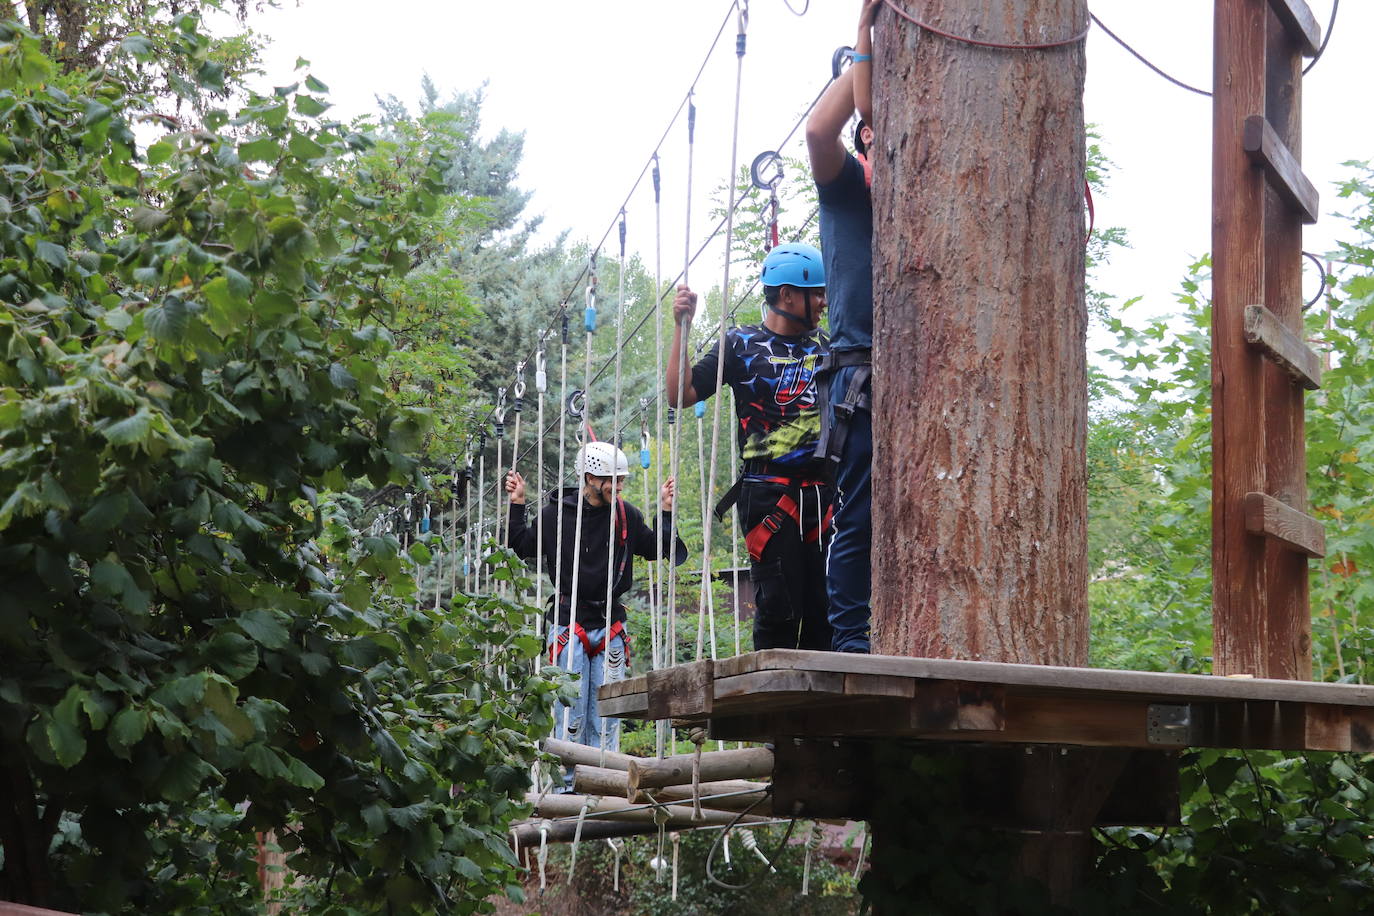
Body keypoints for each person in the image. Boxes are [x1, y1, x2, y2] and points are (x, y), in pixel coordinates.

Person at [665, 243, 834, 652]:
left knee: (828, 614)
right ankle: (773, 710)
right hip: (770, 496)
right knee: (778, 611)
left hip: (827, 493)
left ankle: (825, 713)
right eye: (816, 293)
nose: (823, 302)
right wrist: (681, 329)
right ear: (787, 295)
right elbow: (680, 394)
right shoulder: (740, 345)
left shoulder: (829, 346)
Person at [505, 441, 686, 764]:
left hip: (610, 623)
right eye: (611, 481)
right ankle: (567, 787)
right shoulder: (555, 516)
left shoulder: (626, 515)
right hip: (567, 621)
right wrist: (517, 504)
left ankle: (605, 779)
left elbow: (656, 547)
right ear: (589, 477)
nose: (617, 487)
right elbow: (521, 545)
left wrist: (666, 511)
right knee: (569, 714)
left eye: (621, 481)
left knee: (608, 712)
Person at [806, 0, 880, 654]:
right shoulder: (849, 190)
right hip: (859, 368)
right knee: (856, 513)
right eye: (876, 145)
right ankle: (851, 644)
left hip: (920, 372)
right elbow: (817, 133)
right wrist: (862, 38)